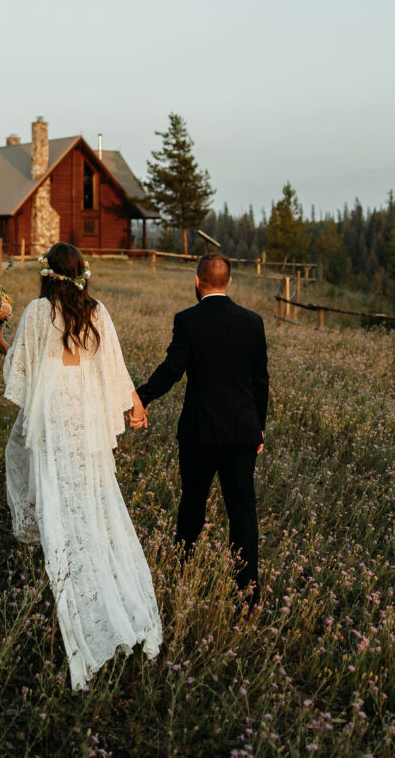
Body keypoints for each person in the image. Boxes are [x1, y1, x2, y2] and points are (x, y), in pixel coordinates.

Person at [0, 242, 161, 689]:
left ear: (48, 274)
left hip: (53, 417)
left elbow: (18, 371)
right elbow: (116, 370)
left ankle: (70, 571)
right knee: (91, 494)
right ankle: (100, 571)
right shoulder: (97, 312)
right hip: (83, 413)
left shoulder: (36, 312)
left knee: (54, 491)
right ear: (82, 273)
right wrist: (133, 406)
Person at [135, 253, 268, 606]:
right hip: (242, 433)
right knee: (243, 511)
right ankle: (247, 593)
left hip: (199, 433)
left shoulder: (188, 320)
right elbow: (260, 381)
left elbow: (172, 370)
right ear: (229, 282)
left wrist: (140, 396)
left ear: (197, 281)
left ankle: (181, 572)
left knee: (192, 505)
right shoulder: (253, 322)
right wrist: (259, 429)